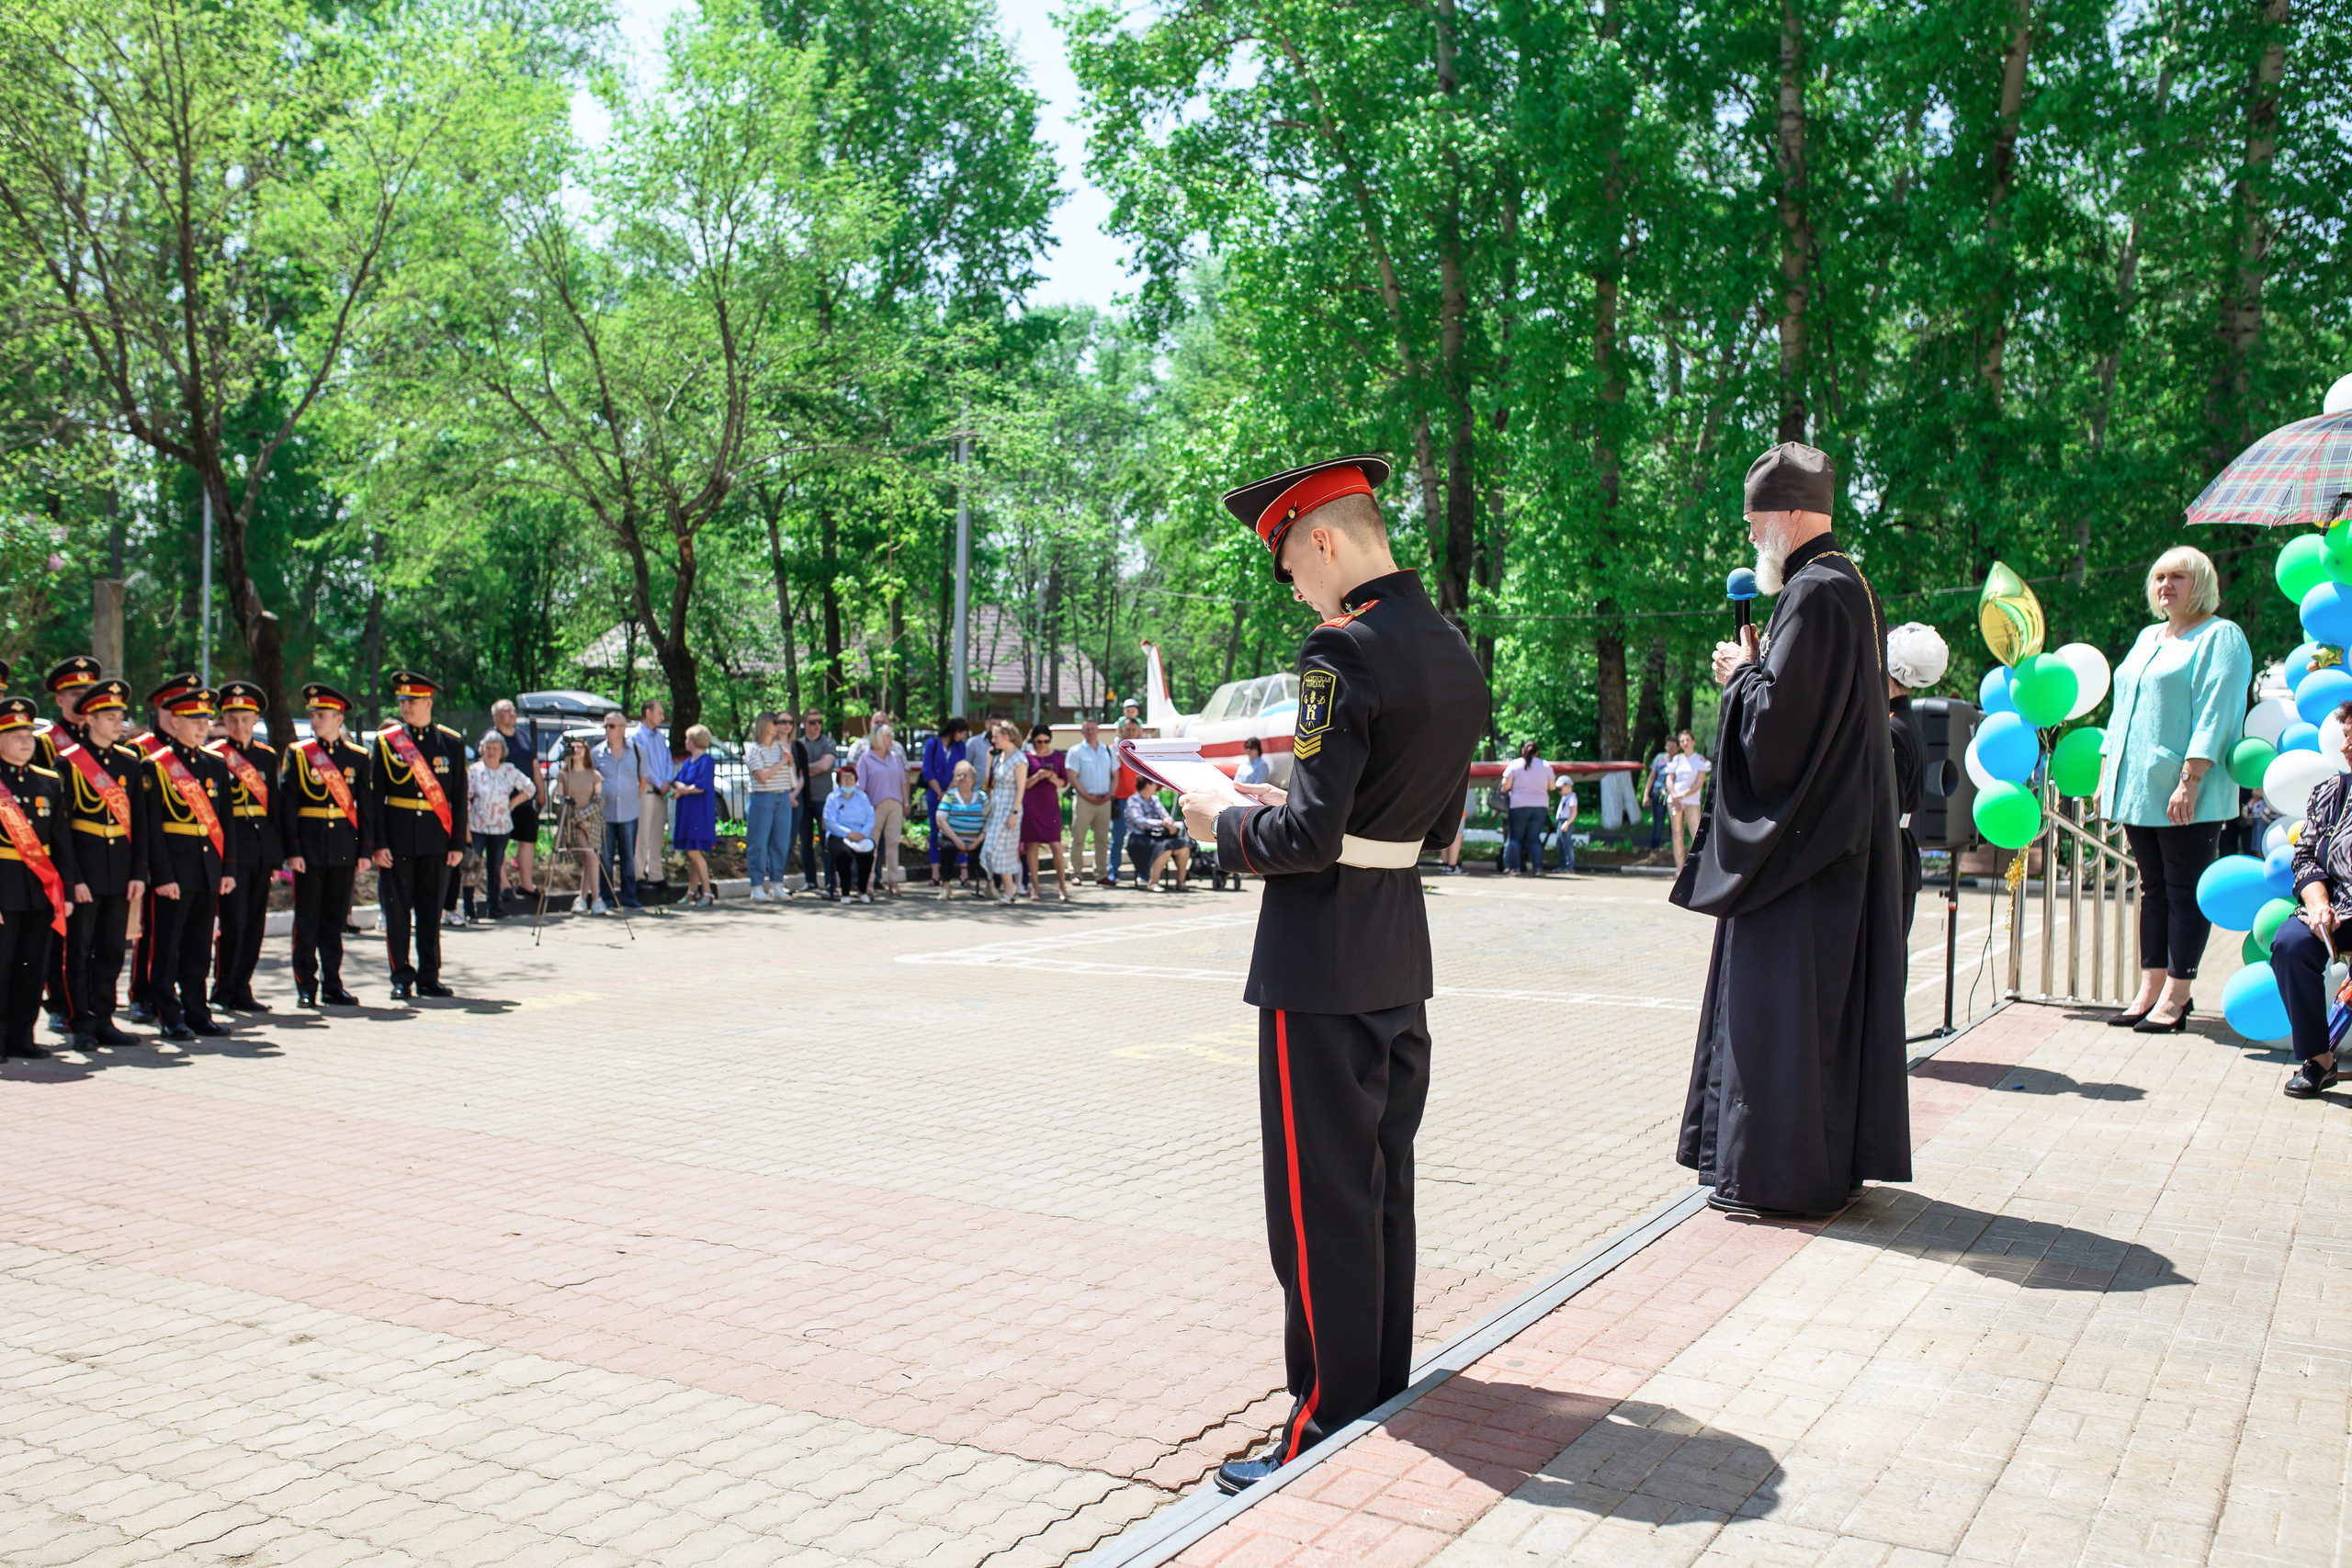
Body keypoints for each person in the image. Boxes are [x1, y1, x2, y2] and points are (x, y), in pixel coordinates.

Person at [1175, 454, 1487, 1495]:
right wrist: (1300, 802)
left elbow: (1306, 839)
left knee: (1315, 1209)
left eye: (1289, 567)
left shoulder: (1341, 648)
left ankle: (1321, 1422)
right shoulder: (1448, 646)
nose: (1296, 593)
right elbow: (1431, 820)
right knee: (1379, 1191)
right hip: (1397, 949)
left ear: (1320, 539)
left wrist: (1229, 821)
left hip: (1319, 961)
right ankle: (1377, 1388)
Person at [1671, 441, 1909, 1221]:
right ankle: (1820, 1166)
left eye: (1754, 520)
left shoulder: (1813, 593)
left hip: (1801, 859)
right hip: (1834, 848)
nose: (1749, 536)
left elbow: (1777, 733)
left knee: (1783, 1021)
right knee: (1820, 1025)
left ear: (1791, 514)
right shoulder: (1850, 586)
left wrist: (1737, 677)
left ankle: (1775, 1175)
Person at [2099, 546, 2254, 1032]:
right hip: (2138, 790)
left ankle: (2178, 996)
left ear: (2201, 583)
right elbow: (2123, 708)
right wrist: (2109, 773)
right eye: (2159, 576)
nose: (2166, 585)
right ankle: (2150, 987)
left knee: (2185, 891)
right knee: (2153, 889)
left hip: (2188, 789)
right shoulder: (2149, 636)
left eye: (2178, 577)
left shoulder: (2221, 636)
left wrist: (2190, 779)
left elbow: (2218, 712)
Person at [138, 676, 236, 1042]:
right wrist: (162, 875)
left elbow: (226, 823)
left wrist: (227, 869)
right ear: (174, 721)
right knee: (166, 948)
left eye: (205, 720)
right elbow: (152, 829)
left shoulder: (215, 764)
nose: (201, 726)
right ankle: (169, 1015)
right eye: (193, 720)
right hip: (174, 872)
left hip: (207, 870)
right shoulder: (156, 765)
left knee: (198, 948)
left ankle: (198, 1012)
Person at [53, 679, 149, 1050]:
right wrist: (73, 878)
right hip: (86, 873)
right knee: (79, 950)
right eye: (109, 717)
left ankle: (105, 1017)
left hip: (119, 871)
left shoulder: (129, 763)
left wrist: (139, 872)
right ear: (90, 719)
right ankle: (81, 1023)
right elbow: (62, 830)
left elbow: (140, 825)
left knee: (112, 949)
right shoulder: (70, 763)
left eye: (120, 716)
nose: (117, 723)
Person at [367, 671, 469, 1000]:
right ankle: (401, 976)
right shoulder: (387, 742)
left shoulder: (450, 743)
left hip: (435, 840)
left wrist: (457, 844)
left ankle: (429, 976)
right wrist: (377, 842)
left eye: (411, 701)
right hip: (396, 841)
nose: (405, 707)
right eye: (401, 701)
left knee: (430, 912)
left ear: (429, 702)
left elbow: (459, 796)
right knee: (397, 913)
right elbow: (373, 799)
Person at [2276, 701, 2352, 1099]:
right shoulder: (2328, 793)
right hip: (2336, 906)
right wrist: (2319, 903)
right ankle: (2320, 1061)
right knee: (2290, 944)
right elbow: (2305, 857)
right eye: (2345, 738)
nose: (2345, 749)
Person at [277, 682, 371, 1006]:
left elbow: (366, 807)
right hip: (310, 846)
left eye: (321, 715)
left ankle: (333, 983)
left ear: (338, 717)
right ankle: (306, 985)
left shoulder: (357, 757)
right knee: (306, 920)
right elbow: (288, 804)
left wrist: (364, 851)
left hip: (343, 847)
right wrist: (292, 849)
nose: (315, 720)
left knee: (334, 920)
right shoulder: (300, 754)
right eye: (313, 715)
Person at [0, 695, 76, 1059]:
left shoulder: (48, 782)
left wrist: (69, 891)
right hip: (3, 889)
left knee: (32, 967)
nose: (26, 740)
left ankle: (21, 1037)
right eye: (15, 734)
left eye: (29, 733)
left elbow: (62, 842)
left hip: (40, 889)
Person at [207, 681, 281, 1011]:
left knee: (254, 923)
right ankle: (222, 988)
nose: (240, 725)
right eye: (232, 719)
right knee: (232, 922)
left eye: (246, 718)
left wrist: (276, 857)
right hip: (232, 847)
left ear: (256, 721)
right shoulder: (215, 757)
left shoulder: (266, 757)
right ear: (224, 720)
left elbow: (274, 809)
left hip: (260, 848)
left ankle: (243, 987)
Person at [38, 656, 100, 1030]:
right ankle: (59, 1003)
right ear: (59, 700)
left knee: (94, 939)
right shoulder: (45, 744)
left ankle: (89, 1002)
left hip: (98, 853)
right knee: (59, 935)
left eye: (87, 693)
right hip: (58, 851)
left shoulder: (101, 743)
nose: (81, 701)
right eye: (74, 694)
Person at [1885, 623, 1951, 942]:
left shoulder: (1893, 728)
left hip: (1887, 857)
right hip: (1899, 852)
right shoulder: (1904, 722)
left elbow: (1887, 804)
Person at [465, 733, 534, 919]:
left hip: (500, 827)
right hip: (477, 826)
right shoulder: (475, 771)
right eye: (487, 748)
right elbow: (466, 797)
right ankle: (469, 910)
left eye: (495, 748)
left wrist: (512, 804)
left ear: (502, 752)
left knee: (495, 867)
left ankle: (493, 907)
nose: (491, 752)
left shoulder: (508, 771)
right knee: (472, 866)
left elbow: (530, 788)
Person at [483, 700, 542, 898]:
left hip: (524, 800)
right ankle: (503, 884)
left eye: (513, 710)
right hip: (497, 803)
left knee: (527, 839)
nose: (512, 714)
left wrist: (540, 791)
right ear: (496, 716)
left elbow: (535, 765)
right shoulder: (490, 740)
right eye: (506, 711)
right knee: (499, 842)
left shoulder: (524, 738)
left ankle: (526, 883)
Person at [591, 712, 644, 910]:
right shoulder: (596, 753)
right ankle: (607, 898)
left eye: (612, 726)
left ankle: (629, 898)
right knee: (605, 857)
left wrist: (631, 796)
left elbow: (643, 778)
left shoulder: (637, 750)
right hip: (605, 815)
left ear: (623, 729)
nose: (608, 730)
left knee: (628, 857)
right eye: (606, 726)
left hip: (629, 812)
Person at [553, 737, 611, 913]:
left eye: (580, 747)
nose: (576, 751)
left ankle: (583, 898)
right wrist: (577, 819)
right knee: (591, 857)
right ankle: (596, 898)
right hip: (573, 823)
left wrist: (584, 817)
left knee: (590, 859)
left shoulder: (594, 775)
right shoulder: (564, 775)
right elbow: (560, 800)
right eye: (573, 747)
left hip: (591, 823)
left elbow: (599, 801)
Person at [743, 712, 797, 900]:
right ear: (765, 725)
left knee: (781, 842)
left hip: (782, 796)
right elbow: (761, 776)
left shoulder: (780, 747)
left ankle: (777, 884)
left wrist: (786, 762)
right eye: (776, 722)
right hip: (761, 798)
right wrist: (783, 762)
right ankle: (757, 885)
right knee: (758, 843)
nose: (780, 726)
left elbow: (789, 773)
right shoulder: (754, 749)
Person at [856, 723, 911, 896]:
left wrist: (906, 802)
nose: (891, 739)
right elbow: (861, 787)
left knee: (893, 843)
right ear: (878, 738)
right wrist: (862, 810)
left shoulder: (894, 757)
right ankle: (869, 881)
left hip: (895, 804)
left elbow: (903, 781)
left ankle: (893, 880)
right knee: (871, 844)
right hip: (875, 806)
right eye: (888, 736)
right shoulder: (865, 758)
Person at [1021, 723, 1071, 901]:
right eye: (1039, 741)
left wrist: (1052, 777)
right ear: (1033, 741)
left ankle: (1063, 887)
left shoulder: (1057, 756)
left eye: (1046, 741)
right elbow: (1023, 784)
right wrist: (1037, 776)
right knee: (1032, 845)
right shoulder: (1026, 758)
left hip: (1050, 806)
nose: (1043, 744)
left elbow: (1064, 783)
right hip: (1032, 806)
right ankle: (1035, 887)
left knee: (1056, 845)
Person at [979, 719, 1027, 905]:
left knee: (999, 850)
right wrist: (988, 760)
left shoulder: (1019, 759)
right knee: (991, 850)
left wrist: (1014, 813)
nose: (993, 740)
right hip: (997, 808)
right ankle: (1009, 888)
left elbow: (1020, 789)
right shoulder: (1000, 757)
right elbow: (988, 784)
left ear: (1007, 737)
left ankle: (1010, 888)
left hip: (1010, 809)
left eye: (996, 736)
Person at [1066, 717, 1117, 886]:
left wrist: (1110, 793)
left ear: (1098, 730)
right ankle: (1076, 873)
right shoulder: (1075, 751)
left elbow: (1115, 774)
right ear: (1082, 731)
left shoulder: (1107, 751)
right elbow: (1073, 778)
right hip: (1084, 800)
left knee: (1102, 839)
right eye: (1087, 729)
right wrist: (1087, 796)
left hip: (1104, 800)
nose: (1090, 732)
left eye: (1093, 728)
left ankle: (1101, 873)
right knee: (1078, 837)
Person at [628, 700, 674, 887]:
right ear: (648, 713)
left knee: (657, 835)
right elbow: (643, 765)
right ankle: (638, 874)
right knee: (642, 834)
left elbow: (667, 760)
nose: (662, 717)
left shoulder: (660, 737)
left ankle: (655, 873)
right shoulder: (637, 736)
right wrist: (658, 781)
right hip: (647, 791)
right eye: (659, 713)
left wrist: (667, 780)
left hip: (661, 793)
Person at [673, 724, 719, 905]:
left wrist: (684, 789)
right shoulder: (689, 761)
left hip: (699, 811)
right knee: (692, 850)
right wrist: (680, 787)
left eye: (687, 739)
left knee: (694, 852)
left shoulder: (707, 761)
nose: (685, 742)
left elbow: (702, 785)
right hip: (687, 809)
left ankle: (707, 891)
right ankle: (691, 891)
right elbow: (678, 780)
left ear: (693, 741)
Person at [822, 755, 877, 903]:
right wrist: (848, 834)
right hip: (839, 836)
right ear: (839, 780)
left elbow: (870, 818)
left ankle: (862, 890)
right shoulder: (833, 798)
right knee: (843, 854)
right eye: (845, 778)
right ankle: (845, 892)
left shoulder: (863, 797)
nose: (849, 781)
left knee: (867, 855)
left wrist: (862, 834)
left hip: (860, 835)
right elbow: (830, 822)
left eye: (852, 778)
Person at [796, 709, 838, 897]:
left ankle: (831, 884)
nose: (816, 725)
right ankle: (810, 881)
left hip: (823, 799)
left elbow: (825, 766)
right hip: (803, 799)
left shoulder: (828, 742)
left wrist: (802, 769)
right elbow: (794, 770)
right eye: (812, 722)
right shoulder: (797, 745)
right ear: (804, 723)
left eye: (819, 721)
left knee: (826, 842)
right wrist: (809, 769)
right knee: (805, 843)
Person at [1498, 740, 1555, 875]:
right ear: (1537, 752)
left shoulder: (1515, 764)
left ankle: (1515, 868)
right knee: (1534, 839)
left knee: (1515, 838)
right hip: (1540, 806)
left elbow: (1505, 786)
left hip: (1519, 805)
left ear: (1523, 751)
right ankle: (1538, 868)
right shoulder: (1546, 765)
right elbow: (1552, 787)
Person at [934, 761, 989, 891]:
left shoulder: (982, 797)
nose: (962, 778)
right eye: (958, 775)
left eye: (965, 775)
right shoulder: (949, 796)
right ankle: (946, 887)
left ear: (973, 779)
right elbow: (941, 820)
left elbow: (991, 820)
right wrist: (956, 840)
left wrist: (979, 839)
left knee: (990, 846)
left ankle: (991, 887)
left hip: (977, 838)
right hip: (951, 838)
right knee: (948, 848)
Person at [1123, 787, 1190, 889]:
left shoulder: (1155, 799)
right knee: (1164, 848)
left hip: (1157, 835)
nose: (1157, 787)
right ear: (1147, 785)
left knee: (1183, 846)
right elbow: (1139, 821)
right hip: (1139, 837)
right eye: (1154, 784)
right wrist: (1161, 823)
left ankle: (1181, 882)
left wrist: (1169, 823)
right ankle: (1153, 882)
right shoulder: (1133, 800)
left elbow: (1166, 816)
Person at [1665, 730, 1709, 869]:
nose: (1685, 743)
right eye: (1682, 741)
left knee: (1696, 833)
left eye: (1687, 740)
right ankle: (1679, 869)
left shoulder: (1699, 760)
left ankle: (1699, 867)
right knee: (1677, 834)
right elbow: (1669, 779)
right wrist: (1674, 795)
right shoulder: (1676, 760)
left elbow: (1699, 784)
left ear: (1693, 742)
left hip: (1691, 801)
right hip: (1675, 801)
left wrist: (1683, 795)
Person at [1109, 716, 1143, 884]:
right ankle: (1113, 871)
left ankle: (1143, 873)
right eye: (1127, 729)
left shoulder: (1143, 750)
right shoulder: (1113, 749)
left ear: (1139, 731)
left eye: (1133, 730)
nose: (1130, 733)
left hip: (1138, 800)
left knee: (1140, 838)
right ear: (1121, 731)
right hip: (1119, 799)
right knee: (1117, 838)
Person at [1646, 749, 1672, 852]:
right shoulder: (1660, 757)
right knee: (1658, 822)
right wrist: (1646, 795)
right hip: (1658, 793)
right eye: (1668, 745)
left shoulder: (1680, 758)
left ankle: (1674, 847)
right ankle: (1653, 848)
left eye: (1673, 745)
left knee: (1674, 823)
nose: (1670, 748)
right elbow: (1652, 776)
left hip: (1673, 796)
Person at [1554, 775, 1579, 872]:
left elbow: (1574, 812)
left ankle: (1569, 866)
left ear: (1568, 786)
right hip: (1561, 822)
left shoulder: (1572, 798)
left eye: (1560, 789)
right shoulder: (1565, 797)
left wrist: (1567, 823)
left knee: (1566, 845)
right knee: (1559, 845)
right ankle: (1562, 865)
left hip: (1565, 822)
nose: (1559, 791)